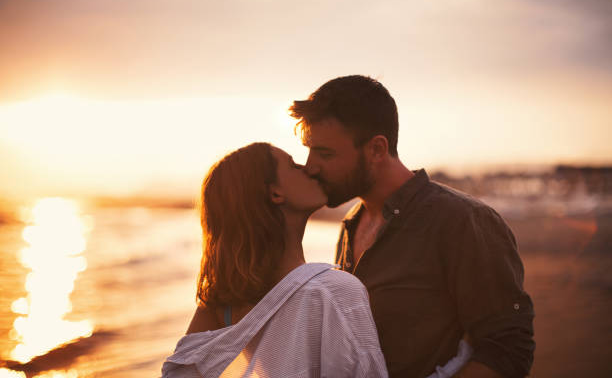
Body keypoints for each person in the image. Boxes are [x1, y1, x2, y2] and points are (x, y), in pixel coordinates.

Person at [289, 75, 536, 378]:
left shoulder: (461, 220)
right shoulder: (351, 223)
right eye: (310, 150)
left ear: (377, 149)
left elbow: (508, 347)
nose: (310, 166)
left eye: (325, 153)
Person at [161, 142, 388, 377]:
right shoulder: (334, 291)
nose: (308, 168)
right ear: (275, 193)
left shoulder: (221, 303)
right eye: (292, 165)